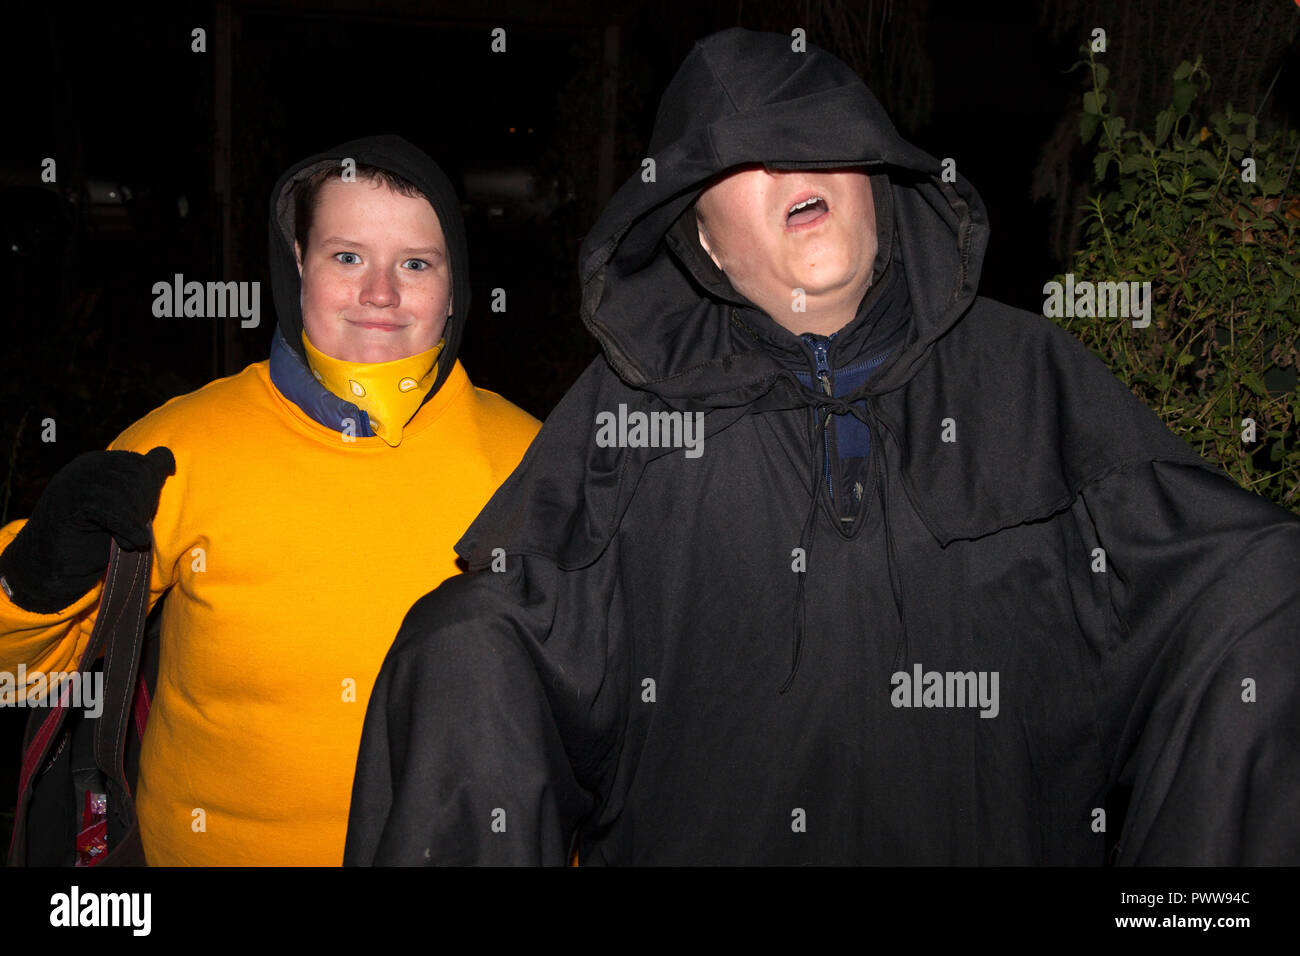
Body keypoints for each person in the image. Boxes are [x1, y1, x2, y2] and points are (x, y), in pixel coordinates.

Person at [344, 30, 1300, 866]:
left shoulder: (1027, 374)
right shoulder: (627, 415)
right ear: (704, 243)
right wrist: (464, 653)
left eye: (813, 138)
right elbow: (523, 649)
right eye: (742, 161)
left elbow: (1213, 596)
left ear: (874, 180)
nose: (789, 163)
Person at [0, 134, 540, 865]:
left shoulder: (533, 460)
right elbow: (19, 678)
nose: (380, 293)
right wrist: (30, 585)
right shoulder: (180, 445)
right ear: (296, 265)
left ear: (456, 287)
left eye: (415, 264)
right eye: (347, 257)